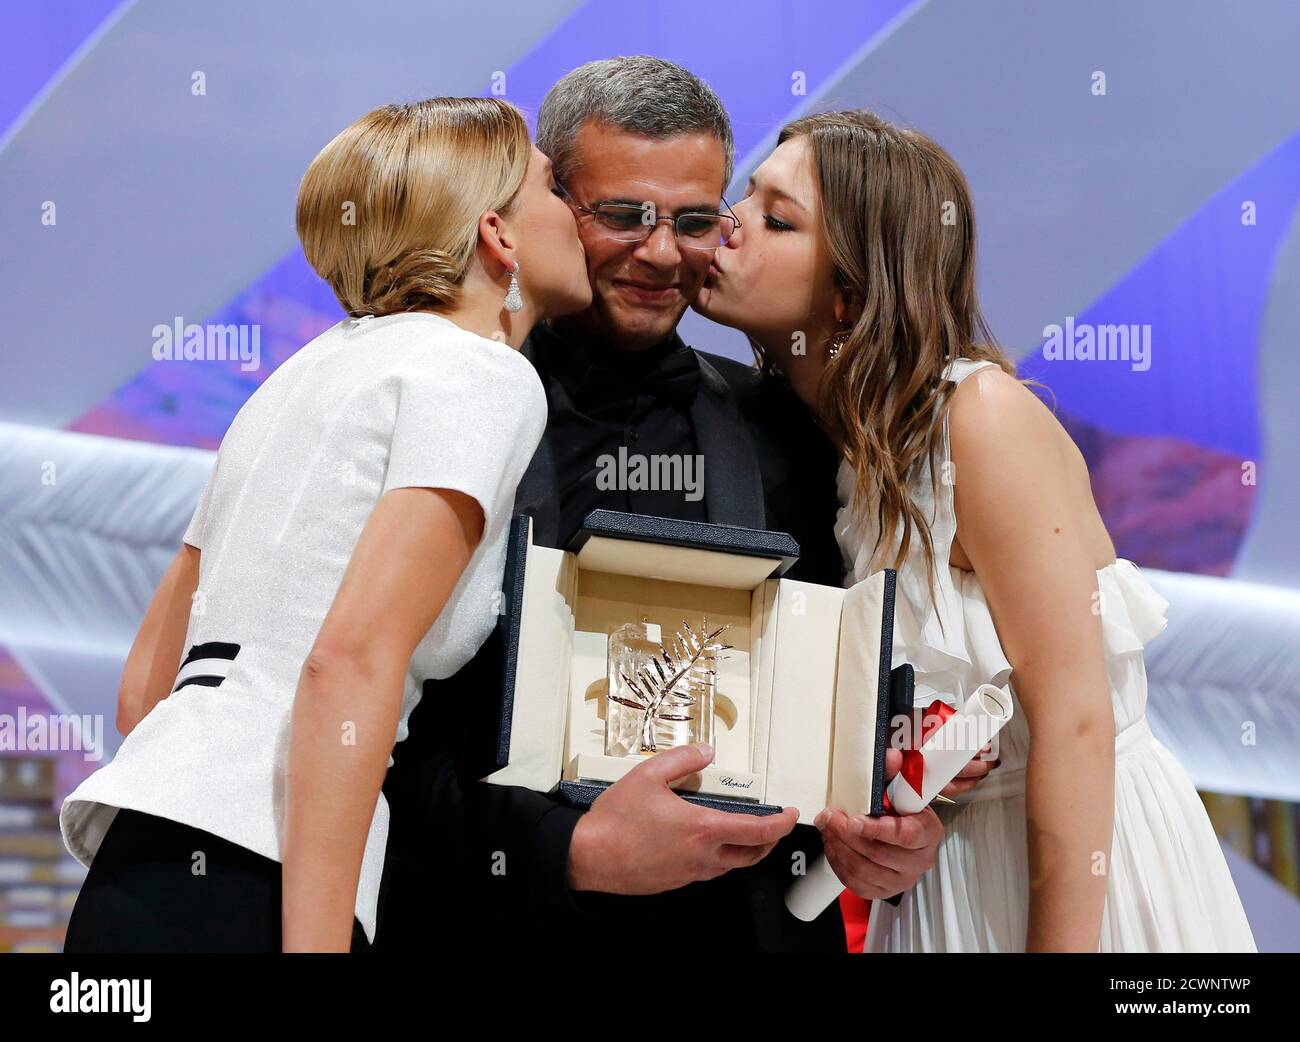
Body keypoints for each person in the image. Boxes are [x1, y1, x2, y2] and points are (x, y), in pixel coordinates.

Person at [376, 57, 991, 955]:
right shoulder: (446, 410)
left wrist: (888, 813)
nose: (661, 253)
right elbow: (371, 728)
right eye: (623, 215)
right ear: (546, 205)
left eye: (695, 220)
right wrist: (569, 850)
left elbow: (843, 700)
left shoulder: (792, 430)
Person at [692, 107, 1258, 952]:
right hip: (942, 891)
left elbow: (1076, 722)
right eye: (746, 197)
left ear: (850, 291)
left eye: (777, 219)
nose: (726, 226)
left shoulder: (978, 417)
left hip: (1077, 885)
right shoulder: (828, 449)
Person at [58, 97, 591, 952]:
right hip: (261, 881)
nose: (579, 214)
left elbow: (143, 692)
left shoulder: (298, 375)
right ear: (499, 236)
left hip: (134, 873)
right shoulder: (482, 375)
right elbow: (349, 660)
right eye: (554, 186)